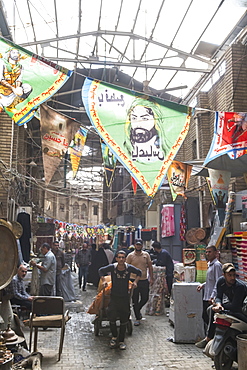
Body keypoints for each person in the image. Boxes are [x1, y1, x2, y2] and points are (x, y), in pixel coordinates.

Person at [195, 262, 247, 348]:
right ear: (224, 275)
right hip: (232, 307)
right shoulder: (221, 281)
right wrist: (218, 304)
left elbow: (235, 306)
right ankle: (209, 337)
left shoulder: (239, 287)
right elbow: (219, 296)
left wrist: (220, 306)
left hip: (242, 309)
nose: (232, 278)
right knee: (210, 309)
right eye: (229, 275)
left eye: (234, 275)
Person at [98, 250, 142, 350]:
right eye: (119, 257)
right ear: (117, 258)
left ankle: (121, 340)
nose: (121, 259)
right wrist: (104, 280)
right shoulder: (113, 267)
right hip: (114, 297)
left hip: (124, 297)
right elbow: (100, 270)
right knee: (112, 318)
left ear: (125, 259)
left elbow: (139, 272)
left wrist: (135, 282)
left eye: (123, 257)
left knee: (124, 319)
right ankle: (114, 337)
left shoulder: (128, 268)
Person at [124, 96, 169, 163]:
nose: (138, 124)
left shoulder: (163, 149)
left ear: (155, 121)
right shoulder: (126, 148)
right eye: (134, 118)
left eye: (144, 119)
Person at [126, 238, 153, 326]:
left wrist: (151, 278)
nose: (138, 246)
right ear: (135, 245)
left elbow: (150, 266)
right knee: (135, 299)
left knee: (145, 298)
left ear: (142, 245)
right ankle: (137, 317)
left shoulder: (146, 255)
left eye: (140, 245)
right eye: (137, 245)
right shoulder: (130, 256)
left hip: (144, 279)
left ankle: (137, 309)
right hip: (133, 280)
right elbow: (126, 268)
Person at [196, 245, 222, 330]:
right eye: (206, 252)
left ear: (215, 253)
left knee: (209, 317)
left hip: (211, 297)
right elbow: (210, 281)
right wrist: (203, 285)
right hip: (207, 295)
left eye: (210, 252)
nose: (207, 254)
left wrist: (213, 296)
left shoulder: (217, 265)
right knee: (205, 316)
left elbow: (218, 282)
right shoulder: (210, 264)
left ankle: (211, 335)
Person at [0, 48, 32, 112]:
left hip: (12, 93)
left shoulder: (20, 66)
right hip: (1, 93)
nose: (16, 54)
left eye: (17, 53)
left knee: (27, 87)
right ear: (9, 54)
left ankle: (12, 105)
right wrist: (13, 88)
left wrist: (18, 88)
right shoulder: (2, 63)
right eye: (13, 53)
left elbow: (19, 79)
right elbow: (1, 79)